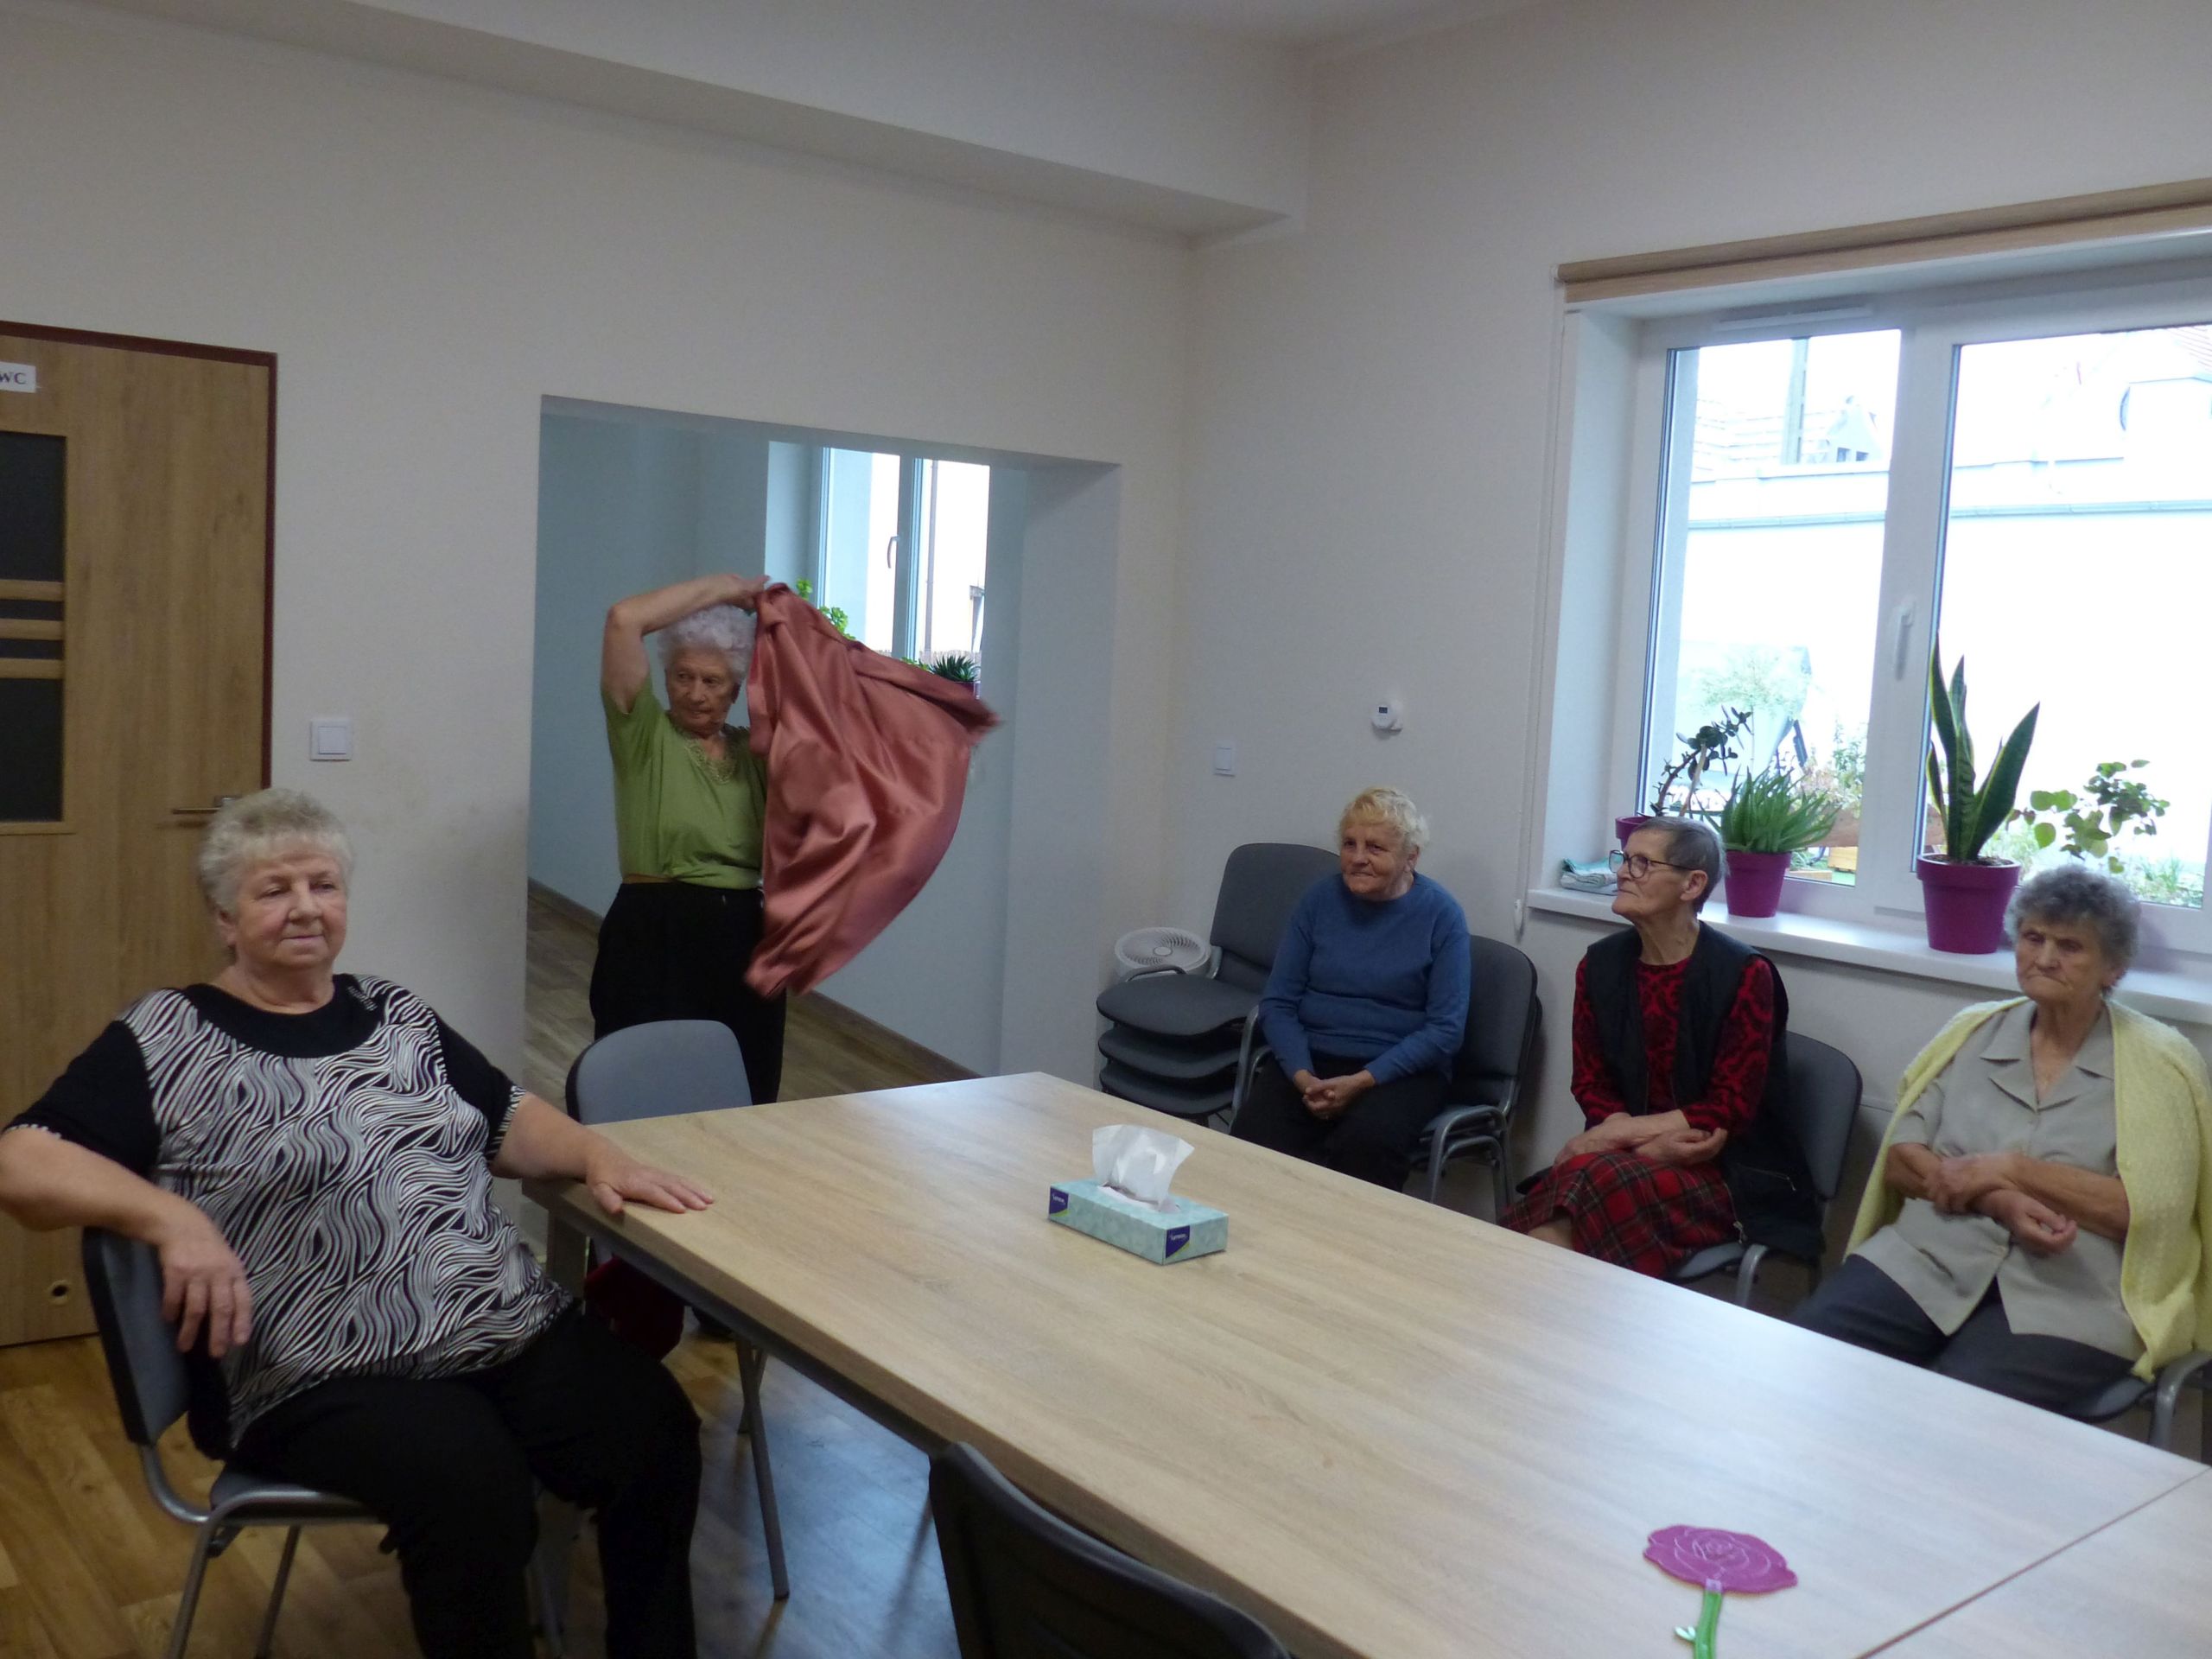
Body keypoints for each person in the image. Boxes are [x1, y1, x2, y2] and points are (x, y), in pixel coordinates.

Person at [0, 790, 710, 1659]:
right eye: (273, 890)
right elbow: (22, 1161)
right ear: (224, 919)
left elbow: (504, 1117)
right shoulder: (167, 1036)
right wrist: (169, 1215)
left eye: (323, 885)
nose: (305, 907)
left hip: (498, 1325)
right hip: (317, 1370)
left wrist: (596, 1153)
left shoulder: (395, 1012)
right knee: (472, 1490)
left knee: (654, 1430)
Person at [1795, 867, 2212, 1412]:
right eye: (2033, 938)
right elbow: (1901, 1161)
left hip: (2073, 1294)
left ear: (2113, 966)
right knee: (1808, 1354)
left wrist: (2011, 1168)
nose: (2045, 958)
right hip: (1929, 1258)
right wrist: (1997, 1199)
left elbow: (2146, 1211)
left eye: (2070, 946)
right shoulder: (1972, 1032)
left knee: (1961, 1411)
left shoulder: (2158, 1063)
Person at [1502, 816, 1818, 1274]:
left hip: (1725, 1172)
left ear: (1693, 884)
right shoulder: (1599, 966)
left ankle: (1497, 1287)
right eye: (1625, 859)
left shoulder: (1745, 975)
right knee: (1575, 1206)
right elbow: (1590, 1082)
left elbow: (1728, 1109)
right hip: (1617, 1166)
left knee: (1580, 1187)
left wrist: (1613, 1138)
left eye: (1643, 863)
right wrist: (1637, 1144)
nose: (1622, 873)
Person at [594, 573, 783, 1103]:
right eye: (683, 676)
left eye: (712, 681)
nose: (696, 693)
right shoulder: (643, 735)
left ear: (737, 690)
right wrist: (727, 588)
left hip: (745, 936)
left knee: (745, 1092)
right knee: (647, 1092)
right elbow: (624, 620)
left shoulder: (757, 754)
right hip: (655, 932)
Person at [1230, 787, 1469, 1190]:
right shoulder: (1318, 901)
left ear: (1411, 857)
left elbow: (1445, 1030)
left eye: (1375, 847)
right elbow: (1279, 1003)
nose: (1358, 858)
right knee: (1251, 1142)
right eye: (1349, 844)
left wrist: (1362, 1081)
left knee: (1366, 1147)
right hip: (1313, 1061)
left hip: (1399, 1071)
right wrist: (1303, 1077)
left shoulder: (1441, 916)